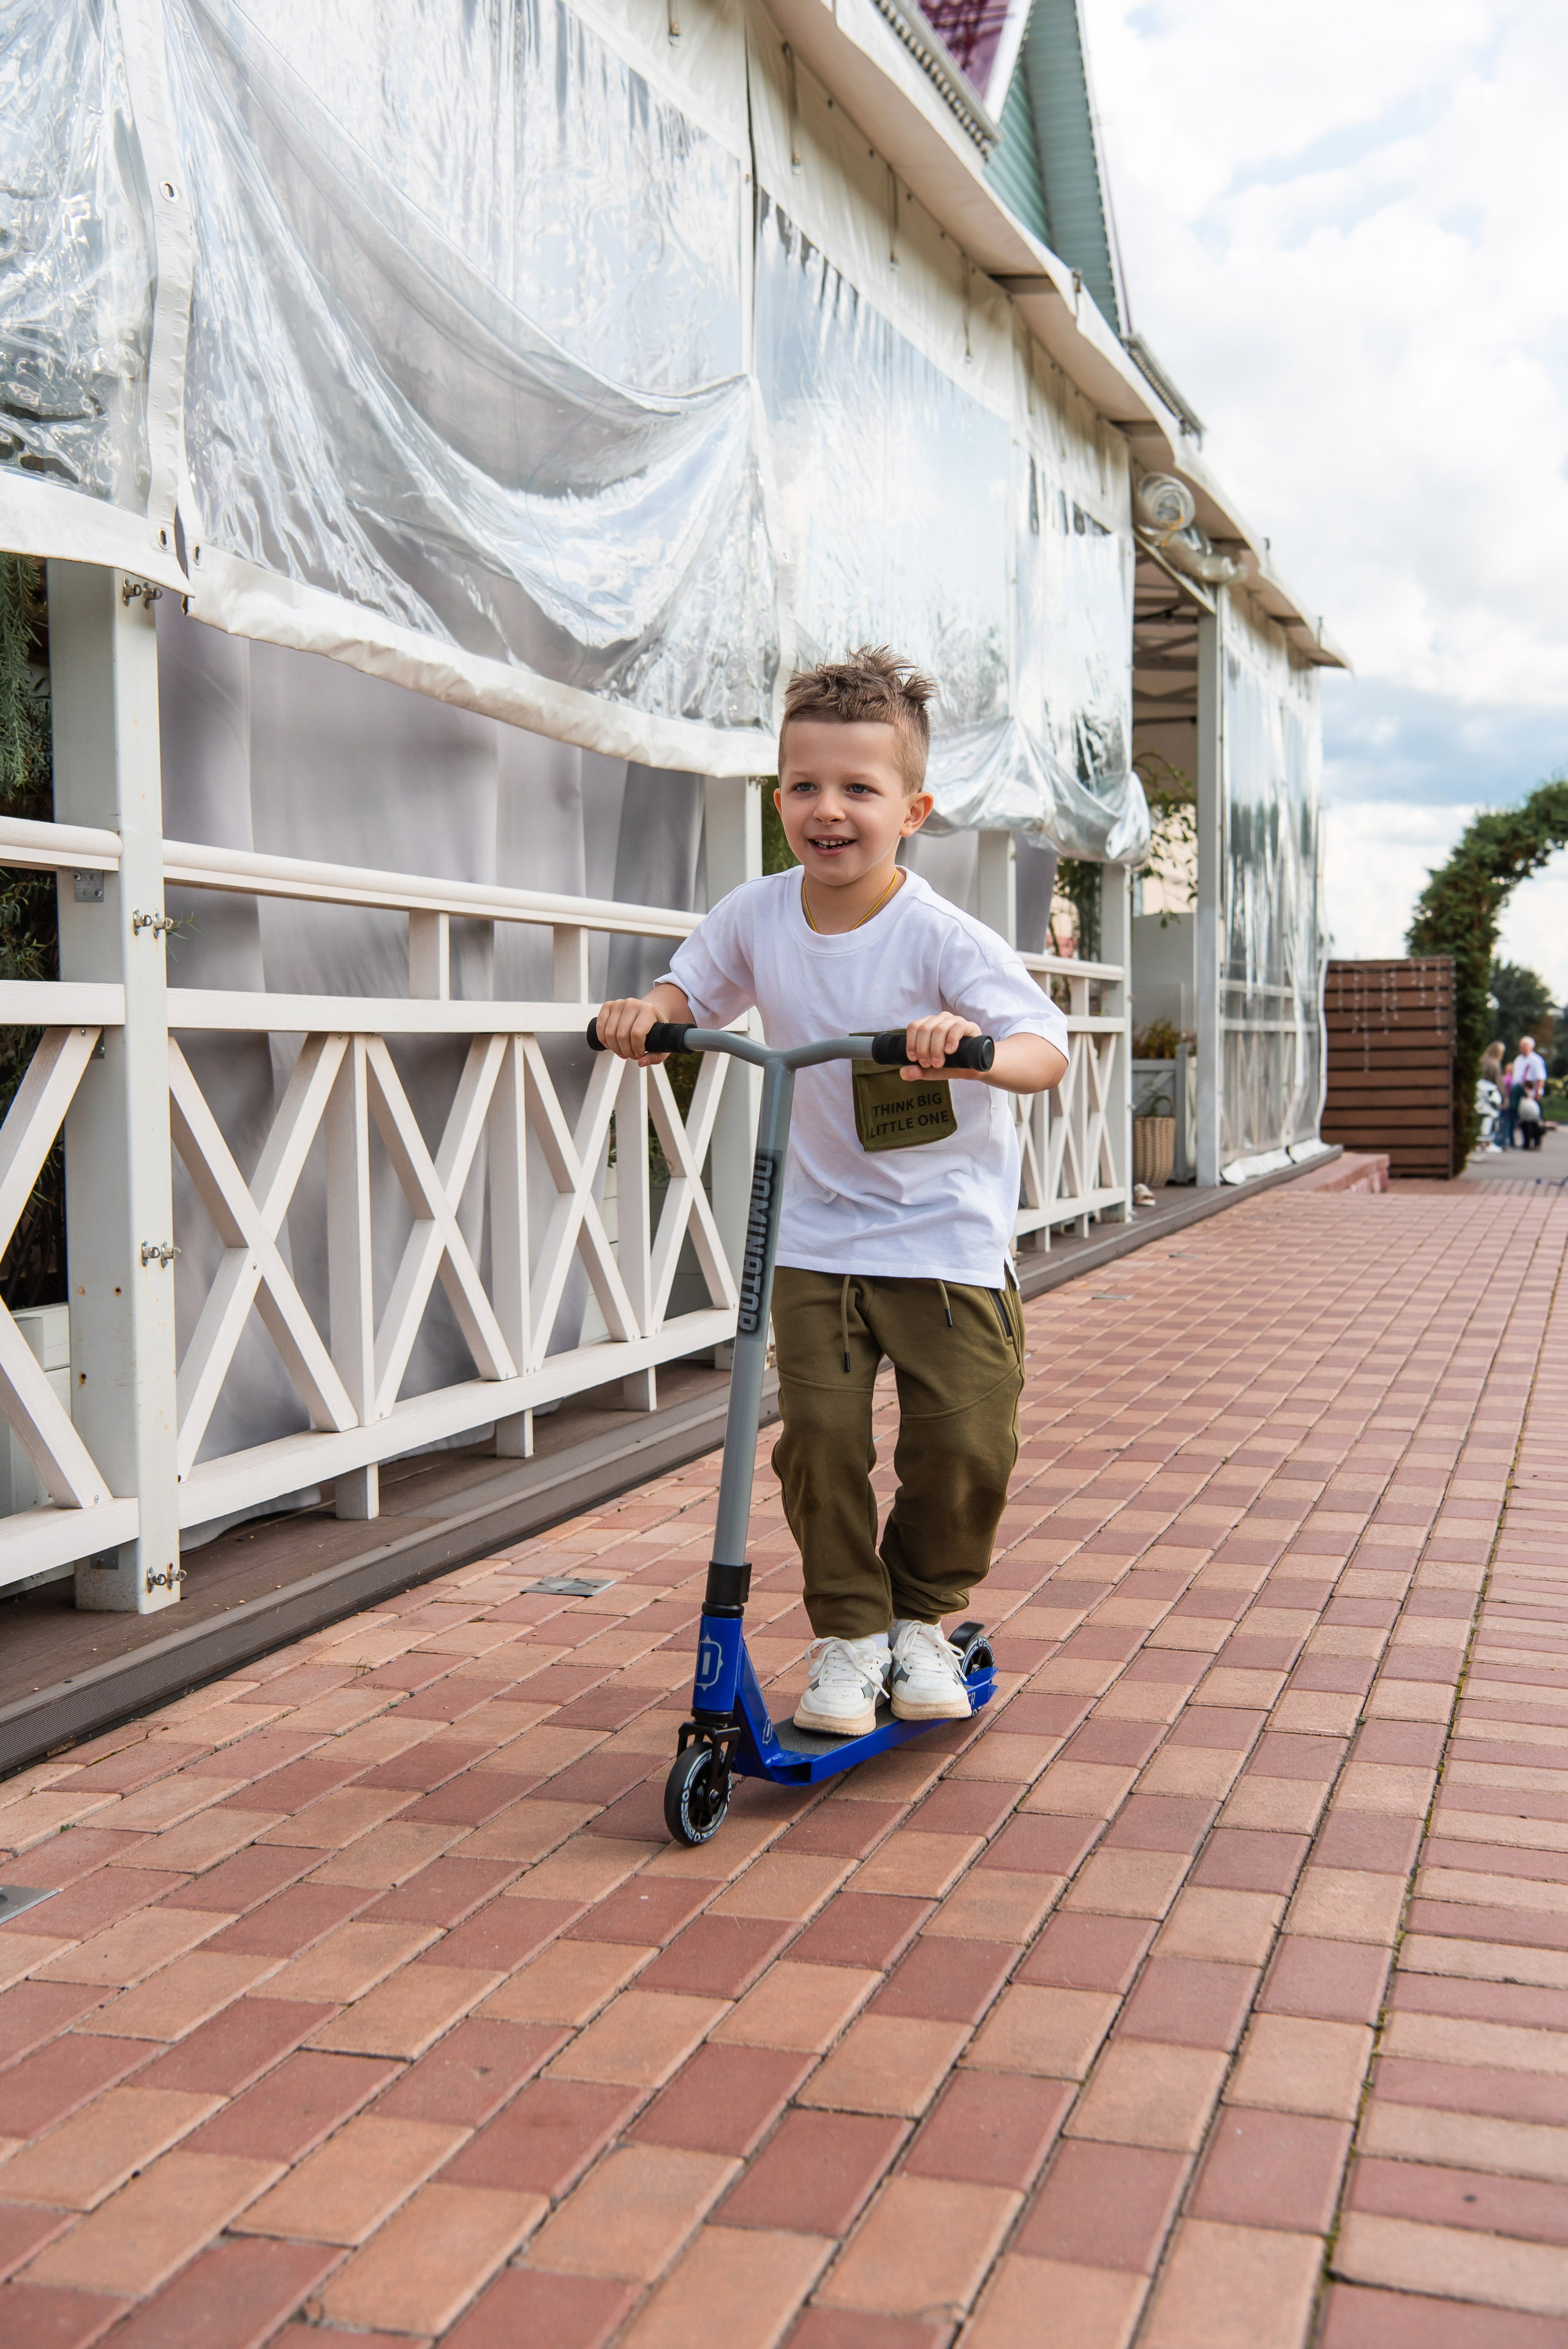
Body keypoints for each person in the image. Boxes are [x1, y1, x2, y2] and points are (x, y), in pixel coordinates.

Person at [595, 647, 1069, 1735]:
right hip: (814, 1233)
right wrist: (645, 1012)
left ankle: (921, 1616)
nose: (831, 810)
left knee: (964, 1441)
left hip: (944, 1240)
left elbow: (1046, 1049)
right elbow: (689, 988)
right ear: (779, 800)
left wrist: (973, 1049)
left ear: (913, 809)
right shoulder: (757, 914)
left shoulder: (941, 934)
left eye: (861, 789)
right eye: (807, 786)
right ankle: (852, 1635)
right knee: (815, 1439)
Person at [1514, 1034, 1548, 1150]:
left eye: (1524, 1046)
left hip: (1532, 1093)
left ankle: (1537, 1141)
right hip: (1522, 1093)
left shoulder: (1536, 1060)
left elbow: (1540, 1077)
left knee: (1534, 1118)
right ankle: (1526, 1142)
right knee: (1524, 1119)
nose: (1522, 1048)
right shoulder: (1519, 1060)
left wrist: (1538, 1091)